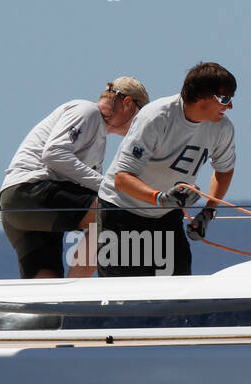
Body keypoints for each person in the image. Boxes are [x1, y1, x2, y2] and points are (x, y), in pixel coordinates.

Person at [96, 62, 237, 276]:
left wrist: (208, 211)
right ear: (201, 97)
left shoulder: (222, 128)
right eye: (225, 99)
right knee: (125, 294)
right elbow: (122, 179)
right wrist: (160, 198)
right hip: (121, 212)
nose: (230, 107)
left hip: (166, 214)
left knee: (178, 288)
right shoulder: (156, 117)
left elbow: (224, 170)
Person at [0, 78, 149, 278]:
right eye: (140, 118)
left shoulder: (97, 136)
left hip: (16, 205)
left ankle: (64, 301)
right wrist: (108, 186)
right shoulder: (88, 111)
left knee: (45, 289)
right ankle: (77, 288)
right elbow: (53, 154)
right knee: (115, 215)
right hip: (32, 191)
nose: (139, 127)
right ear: (128, 103)